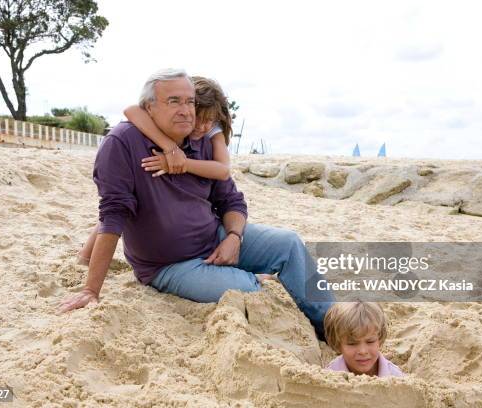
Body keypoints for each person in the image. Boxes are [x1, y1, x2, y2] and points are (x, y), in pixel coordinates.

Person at [58, 68, 333, 340]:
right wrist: (91, 290)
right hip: (169, 264)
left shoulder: (202, 139)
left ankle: (333, 323)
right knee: (247, 291)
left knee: (289, 243)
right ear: (149, 108)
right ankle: (253, 276)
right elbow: (112, 215)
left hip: (214, 236)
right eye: (173, 101)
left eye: (189, 102)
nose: (186, 111)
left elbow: (231, 200)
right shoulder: (122, 142)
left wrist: (234, 237)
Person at [77, 76, 233, 265]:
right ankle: (85, 256)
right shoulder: (176, 120)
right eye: (198, 117)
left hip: (185, 181)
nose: (200, 125)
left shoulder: (212, 132)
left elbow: (224, 171)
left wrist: (180, 163)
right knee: (118, 205)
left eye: (209, 120)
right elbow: (131, 110)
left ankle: (85, 256)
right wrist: (169, 147)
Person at [324, 302, 404, 377]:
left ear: (379, 339)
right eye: (352, 343)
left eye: (370, 341)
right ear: (337, 344)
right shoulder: (328, 376)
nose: (363, 351)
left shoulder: (395, 376)